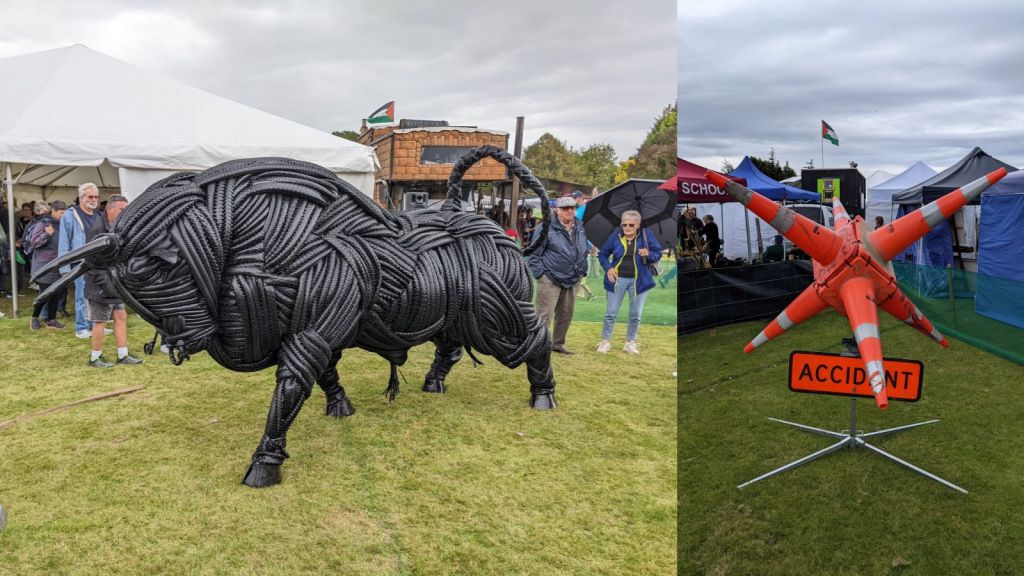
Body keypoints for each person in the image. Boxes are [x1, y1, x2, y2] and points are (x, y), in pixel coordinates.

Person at [83, 194, 143, 368]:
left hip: (116, 283)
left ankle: (123, 355)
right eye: (121, 210)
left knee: (121, 316)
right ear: (110, 209)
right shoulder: (96, 230)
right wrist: (109, 286)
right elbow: (92, 264)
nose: (125, 213)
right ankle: (95, 358)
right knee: (100, 321)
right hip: (99, 286)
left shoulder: (119, 227)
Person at [528, 195, 590, 355]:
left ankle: (558, 344)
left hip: (572, 278)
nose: (570, 211)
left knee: (566, 314)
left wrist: (583, 268)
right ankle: (538, 346)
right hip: (550, 278)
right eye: (565, 208)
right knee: (544, 315)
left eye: (572, 208)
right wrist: (541, 275)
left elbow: (583, 247)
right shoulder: (546, 227)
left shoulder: (579, 226)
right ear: (557, 210)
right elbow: (534, 254)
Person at [596, 210, 662, 354]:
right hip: (616, 280)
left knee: (635, 314)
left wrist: (648, 254)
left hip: (640, 282)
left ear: (638, 225)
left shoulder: (646, 235)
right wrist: (608, 268)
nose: (627, 228)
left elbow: (658, 253)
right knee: (610, 313)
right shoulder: (615, 236)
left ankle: (630, 342)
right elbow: (602, 254)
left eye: (631, 225)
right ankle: (605, 341)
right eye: (624, 224)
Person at [59, 183, 105, 338]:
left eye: (96, 196)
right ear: (81, 198)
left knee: (99, 294)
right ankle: (81, 328)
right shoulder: (70, 215)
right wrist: (64, 268)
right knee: (82, 295)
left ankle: (96, 324)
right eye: (90, 196)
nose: (94, 199)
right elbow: (64, 241)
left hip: (98, 262)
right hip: (80, 262)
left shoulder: (99, 215)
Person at [27, 201, 68, 330]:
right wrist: (47, 234)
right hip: (44, 265)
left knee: (56, 293)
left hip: (58, 264)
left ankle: (51, 320)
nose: (63, 216)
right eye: (61, 213)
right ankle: (34, 318)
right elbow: (34, 243)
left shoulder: (62, 225)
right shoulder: (42, 224)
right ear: (54, 211)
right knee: (44, 294)